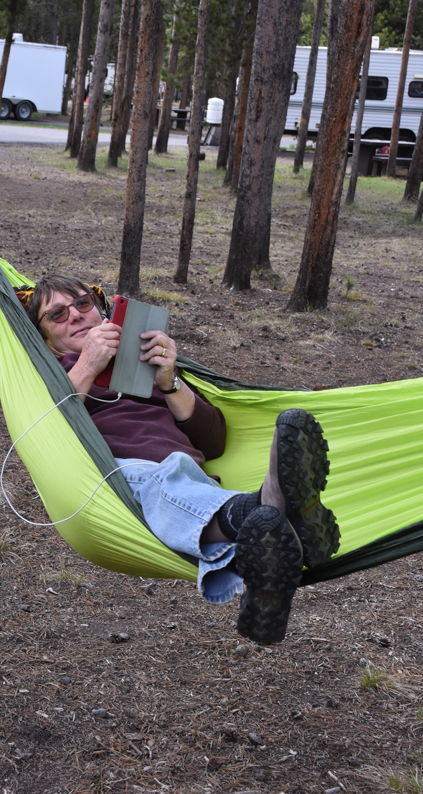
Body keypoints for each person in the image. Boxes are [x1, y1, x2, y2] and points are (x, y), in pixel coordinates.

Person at [21, 275, 339, 644]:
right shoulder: (51, 374)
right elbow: (47, 432)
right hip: (123, 479)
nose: (75, 315)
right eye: (57, 314)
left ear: (102, 311)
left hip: (191, 484)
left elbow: (215, 441)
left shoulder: (144, 359)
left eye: (83, 303)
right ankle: (270, 506)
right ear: (45, 338)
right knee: (166, 475)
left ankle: (266, 578)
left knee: (187, 478)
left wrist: (169, 380)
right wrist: (89, 365)